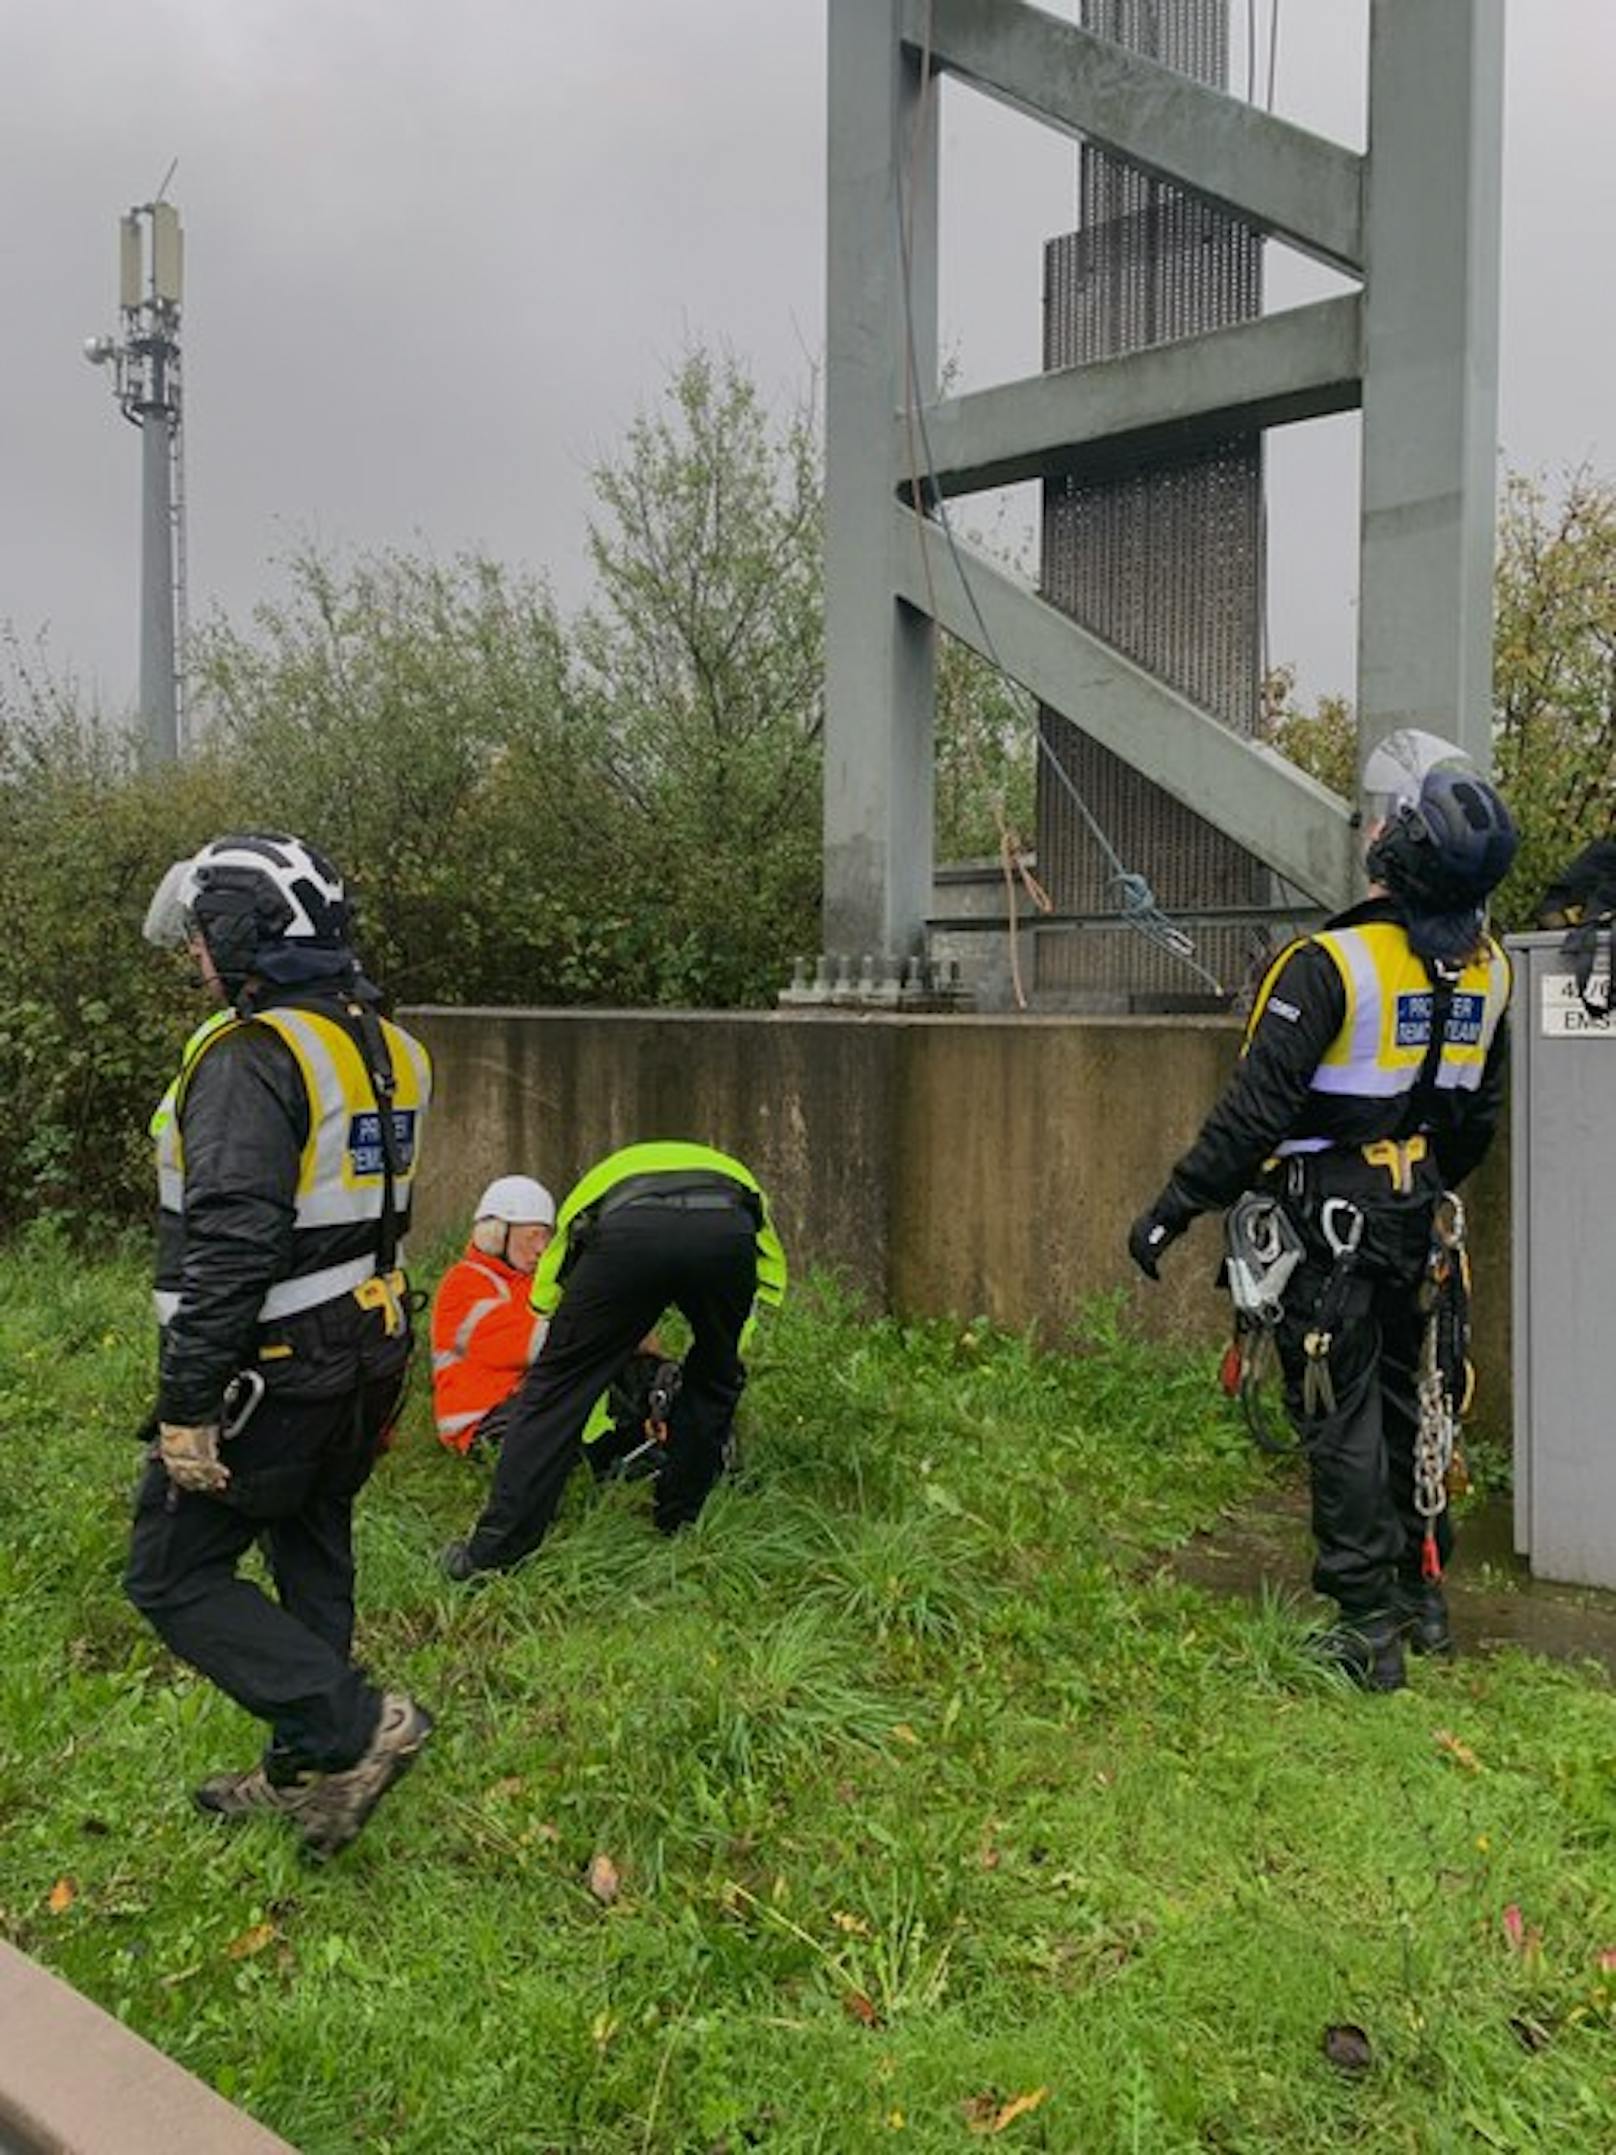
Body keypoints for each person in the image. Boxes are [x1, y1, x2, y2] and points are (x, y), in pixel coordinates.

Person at [1128, 732, 1517, 1691]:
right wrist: (1417, 1180)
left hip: (1331, 1227)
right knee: (1405, 1403)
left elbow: (1254, 1111)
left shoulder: (1328, 965)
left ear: (1396, 847)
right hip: (1416, 1218)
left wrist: (1175, 1209)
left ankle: (1365, 1628)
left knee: (1337, 1417)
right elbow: (1477, 1122)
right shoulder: (1491, 970)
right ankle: (1422, 1596)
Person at [128, 832, 435, 1856]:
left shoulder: (251, 1055)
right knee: (310, 1538)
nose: (194, 955)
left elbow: (233, 1242)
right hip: (370, 1344)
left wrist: (185, 1403)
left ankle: (356, 1726)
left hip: (274, 1364)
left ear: (245, 931)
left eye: (204, 932)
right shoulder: (384, 1044)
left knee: (170, 1574)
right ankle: (308, 1765)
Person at [442, 1140, 787, 1577]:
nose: (538, 1247)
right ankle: (679, 1519)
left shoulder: (590, 1197)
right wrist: (723, 1359)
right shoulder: (735, 1178)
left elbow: (551, 1299)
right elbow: (764, 1267)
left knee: (556, 1393)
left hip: (631, 1228)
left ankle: (492, 1556)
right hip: (728, 1224)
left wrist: (572, 1336)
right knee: (713, 1379)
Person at [431, 1175, 556, 1455]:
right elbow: (533, 1342)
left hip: (517, 1407)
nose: (542, 1248)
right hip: (482, 1424)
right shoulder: (464, 1283)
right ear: (495, 1234)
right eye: (532, 1236)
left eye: (547, 1236)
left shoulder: (528, 1283)